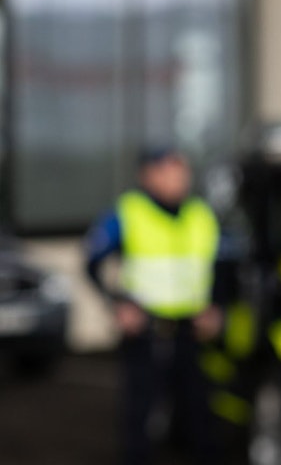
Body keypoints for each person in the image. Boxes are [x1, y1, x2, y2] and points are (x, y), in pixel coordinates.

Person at [84, 147, 222, 465]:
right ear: (148, 175)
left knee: (198, 415)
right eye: (169, 170)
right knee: (139, 416)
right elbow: (91, 262)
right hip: (146, 331)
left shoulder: (201, 214)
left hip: (191, 331)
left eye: (183, 170)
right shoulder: (128, 212)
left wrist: (216, 308)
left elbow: (218, 268)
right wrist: (117, 305)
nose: (179, 178)